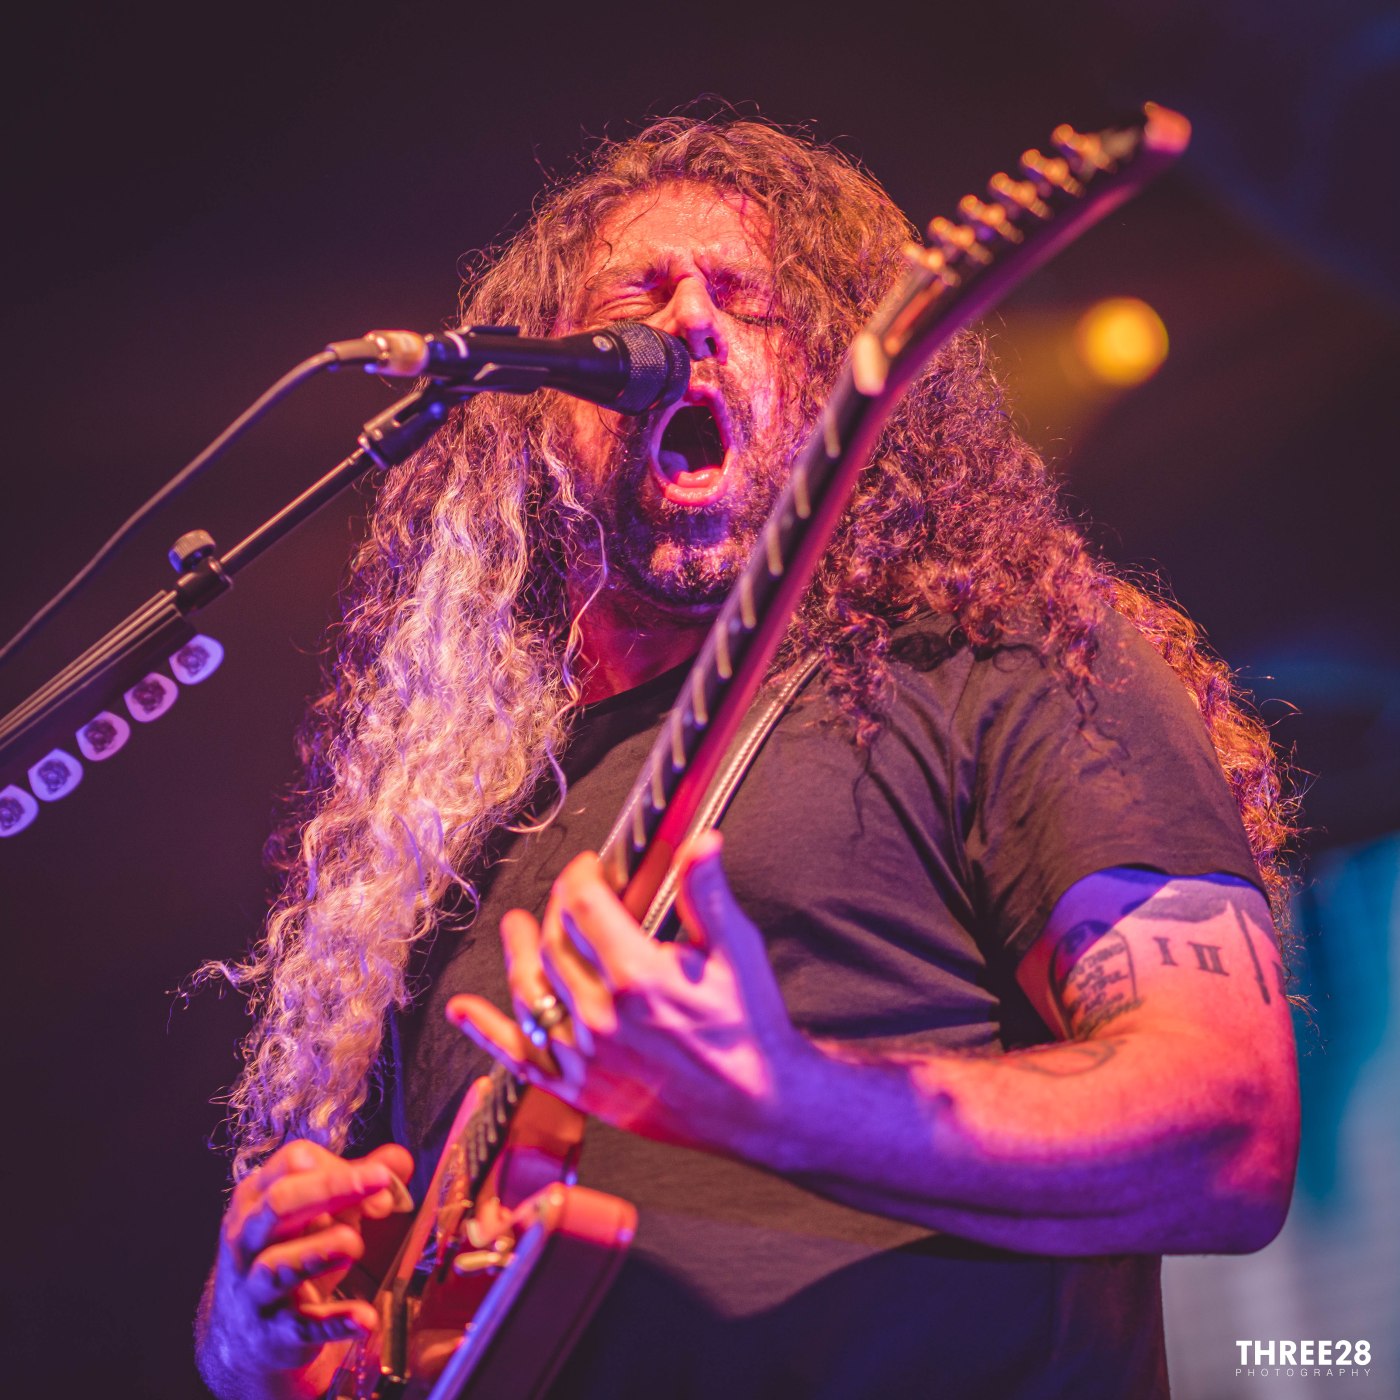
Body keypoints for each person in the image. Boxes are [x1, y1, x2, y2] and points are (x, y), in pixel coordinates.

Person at [194, 117, 1300, 1399]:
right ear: (536, 411)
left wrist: (780, 1098)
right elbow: (385, 1336)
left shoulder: (1003, 662)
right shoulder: (452, 819)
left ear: (832, 376)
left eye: (749, 301)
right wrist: (253, 1337)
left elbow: (1227, 1133)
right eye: (632, 300)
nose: (687, 323)